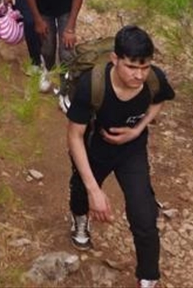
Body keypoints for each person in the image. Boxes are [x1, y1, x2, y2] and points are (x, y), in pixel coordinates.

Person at [65, 25, 174, 288]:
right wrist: (94, 190)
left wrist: (137, 130)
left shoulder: (153, 79)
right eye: (131, 67)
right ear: (115, 59)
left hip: (131, 150)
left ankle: (148, 277)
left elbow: (160, 99)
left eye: (145, 67)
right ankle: (80, 220)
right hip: (95, 147)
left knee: (144, 214)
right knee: (81, 190)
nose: (139, 75)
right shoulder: (92, 85)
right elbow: (74, 136)